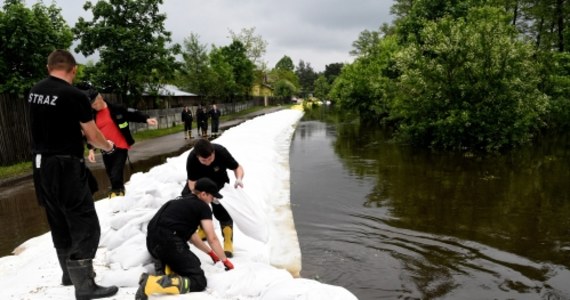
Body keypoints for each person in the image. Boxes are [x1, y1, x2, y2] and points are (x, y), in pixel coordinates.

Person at [28, 49, 118, 299]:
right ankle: (85, 285)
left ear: (49, 68)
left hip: (40, 165)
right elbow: (92, 135)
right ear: (74, 69)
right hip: (66, 164)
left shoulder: (35, 91)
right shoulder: (74, 95)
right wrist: (108, 146)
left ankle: (68, 275)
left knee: (57, 217)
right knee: (85, 223)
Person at [136, 178, 234, 299]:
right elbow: (212, 237)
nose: (212, 200)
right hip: (169, 242)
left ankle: (165, 267)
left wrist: (211, 253)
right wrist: (224, 260)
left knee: (193, 262)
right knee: (198, 280)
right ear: (203, 194)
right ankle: (151, 284)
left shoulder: (180, 200)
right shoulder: (202, 207)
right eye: (212, 197)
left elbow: (193, 237)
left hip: (152, 242)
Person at [78, 84, 158, 198]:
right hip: (105, 148)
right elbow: (91, 134)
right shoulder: (92, 115)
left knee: (116, 172)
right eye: (92, 105)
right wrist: (91, 150)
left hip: (120, 145)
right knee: (110, 173)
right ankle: (118, 192)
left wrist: (146, 119)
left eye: (95, 104)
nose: (94, 107)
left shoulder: (116, 109)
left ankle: (118, 193)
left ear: (100, 97)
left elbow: (132, 114)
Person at [182, 138, 244, 257]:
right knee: (189, 200)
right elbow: (192, 183)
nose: (208, 162)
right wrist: (201, 198)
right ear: (197, 156)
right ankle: (202, 229)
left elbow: (237, 167)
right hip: (200, 185)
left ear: (213, 152)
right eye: (204, 160)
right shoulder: (192, 158)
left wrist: (239, 178)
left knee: (222, 208)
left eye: (210, 158)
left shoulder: (221, 151)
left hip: (219, 183)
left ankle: (227, 241)